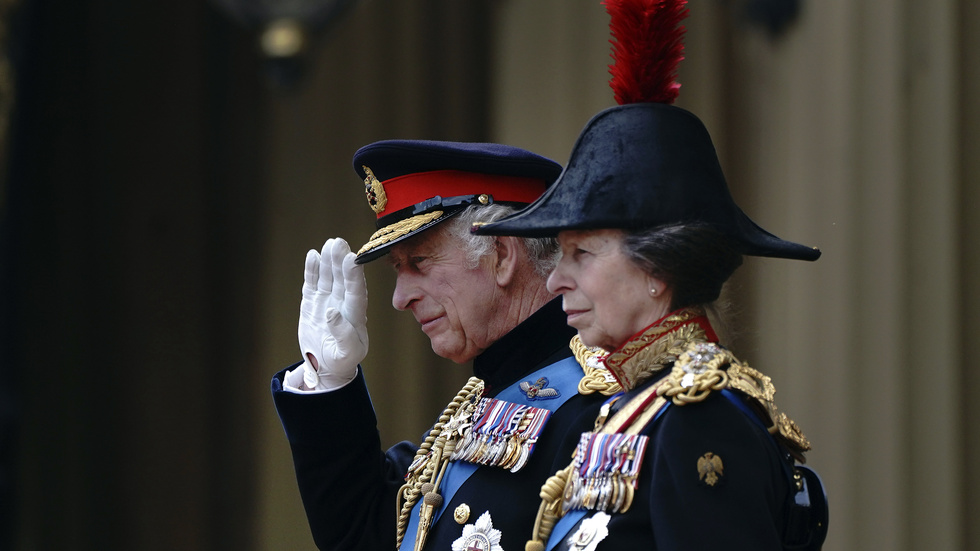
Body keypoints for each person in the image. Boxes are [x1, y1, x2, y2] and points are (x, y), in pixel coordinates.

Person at [472, 0, 828, 549]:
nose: (554, 281)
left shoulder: (700, 418)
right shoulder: (632, 408)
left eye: (582, 254)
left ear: (657, 268)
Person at [271, 140, 616, 551]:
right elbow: (368, 534)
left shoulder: (601, 406)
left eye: (419, 262)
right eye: (398, 269)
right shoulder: (476, 408)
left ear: (502, 255)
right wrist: (328, 382)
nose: (400, 299)